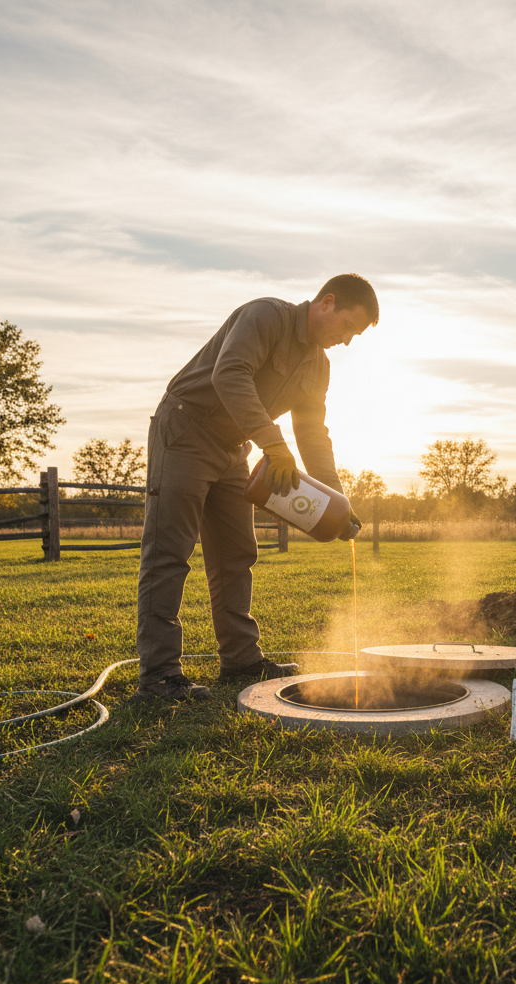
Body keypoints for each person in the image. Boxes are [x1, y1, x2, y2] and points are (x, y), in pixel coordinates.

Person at [135, 273, 379, 701]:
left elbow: (313, 433)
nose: (346, 341)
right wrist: (273, 444)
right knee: (170, 551)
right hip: (186, 429)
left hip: (234, 447)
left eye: (354, 335)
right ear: (327, 302)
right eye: (347, 327)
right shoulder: (266, 315)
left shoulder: (318, 364)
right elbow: (229, 374)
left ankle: (240, 659)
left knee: (237, 554)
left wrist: (337, 498)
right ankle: (159, 676)